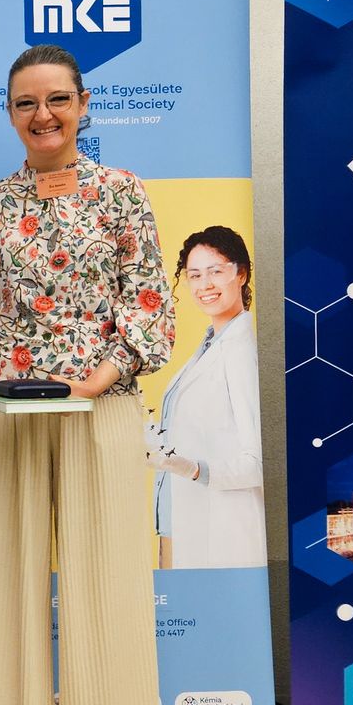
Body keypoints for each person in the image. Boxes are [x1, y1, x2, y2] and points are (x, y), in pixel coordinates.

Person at [0, 43, 172, 705]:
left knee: (104, 597)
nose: (43, 115)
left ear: (82, 105)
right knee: (4, 594)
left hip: (98, 410)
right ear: (10, 113)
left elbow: (150, 305)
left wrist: (99, 375)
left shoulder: (123, 194)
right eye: (26, 103)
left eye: (57, 99)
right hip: (6, 418)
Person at [148, 226, 263, 569]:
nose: (205, 285)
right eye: (195, 275)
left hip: (222, 529)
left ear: (241, 274)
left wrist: (194, 469)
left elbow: (260, 461)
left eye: (216, 271)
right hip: (181, 523)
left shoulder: (243, 351)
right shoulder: (211, 344)